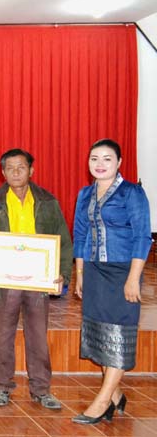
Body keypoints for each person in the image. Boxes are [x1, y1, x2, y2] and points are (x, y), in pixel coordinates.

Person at [0, 148, 72, 409]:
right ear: (3, 172)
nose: (16, 172)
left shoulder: (48, 201)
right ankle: (2, 386)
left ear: (31, 170)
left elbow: (63, 240)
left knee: (38, 335)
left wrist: (62, 273)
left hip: (38, 280)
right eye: (10, 168)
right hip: (4, 281)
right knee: (3, 335)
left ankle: (41, 389)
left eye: (21, 167)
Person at [71, 139, 152, 425]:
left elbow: (142, 236)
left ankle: (102, 401)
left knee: (118, 334)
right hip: (94, 271)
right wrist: (80, 273)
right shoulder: (85, 194)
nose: (100, 164)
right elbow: (80, 234)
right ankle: (116, 395)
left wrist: (133, 278)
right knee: (100, 332)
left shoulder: (132, 193)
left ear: (119, 162)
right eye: (94, 158)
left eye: (107, 158)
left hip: (123, 271)